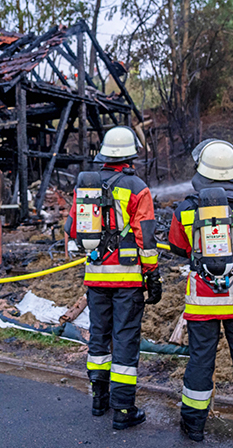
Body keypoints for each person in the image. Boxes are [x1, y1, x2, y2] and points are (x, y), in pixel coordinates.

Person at [168, 140, 233, 448]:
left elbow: (179, 248)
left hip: (202, 303)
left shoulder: (186, 207)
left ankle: (193, 428)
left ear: (201, 169)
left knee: (200, 363)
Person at [65, 126, 161, 430]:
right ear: (131, 155)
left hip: (95, 278)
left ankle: (98, 400)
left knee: (99, 337)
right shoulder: (137, 187)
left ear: (105, 155)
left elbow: (71, 229)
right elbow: (144, 237)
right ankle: (123, 410)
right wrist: (153, 275)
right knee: (125, 340)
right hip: (128, 280)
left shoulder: (86, 187)